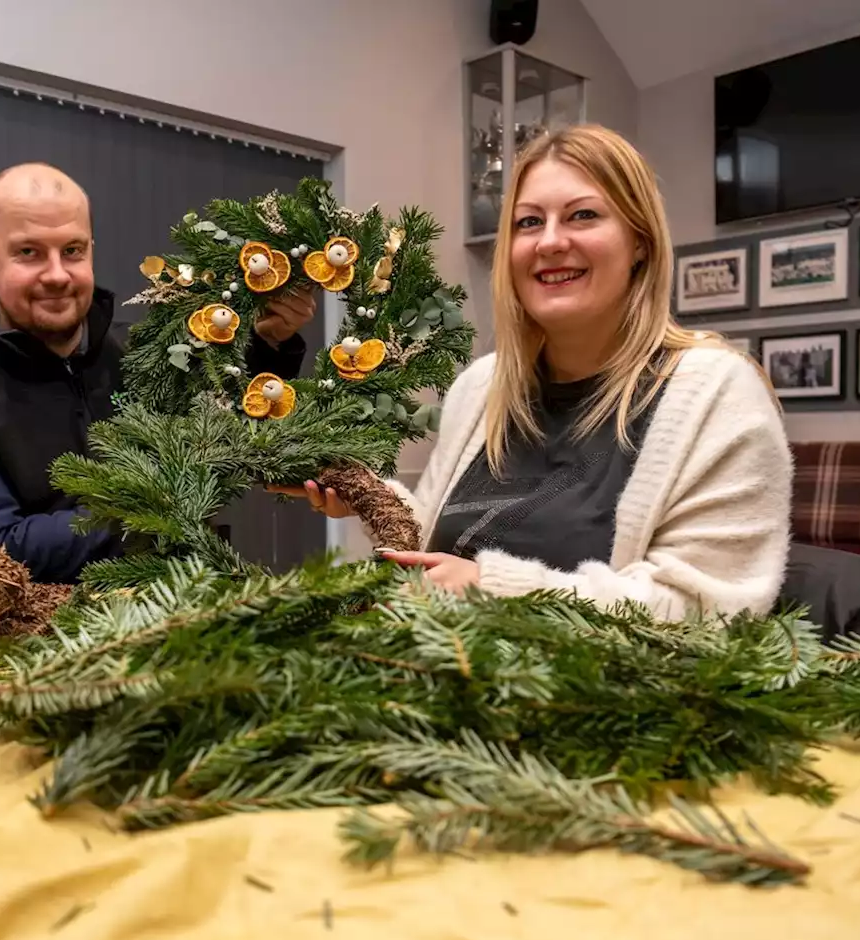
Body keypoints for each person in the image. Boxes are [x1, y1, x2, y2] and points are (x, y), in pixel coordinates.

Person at [280, 124, 792, 620]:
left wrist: (498, 591)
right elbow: (439, 536)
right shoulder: (482, 386)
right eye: (528, 222)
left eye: (582, 215)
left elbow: (707, 611)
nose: (549, 242)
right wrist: (368, 495)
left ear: (640, 242)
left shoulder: (718, 392)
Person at [0, 162, 316, 584]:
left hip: (188, 619)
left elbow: (235, 429)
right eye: (29, 252)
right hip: (45, 642)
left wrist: (269, 341)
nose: (57, 274)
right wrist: (163, 501)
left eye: (73, 250)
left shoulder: (151, 353)